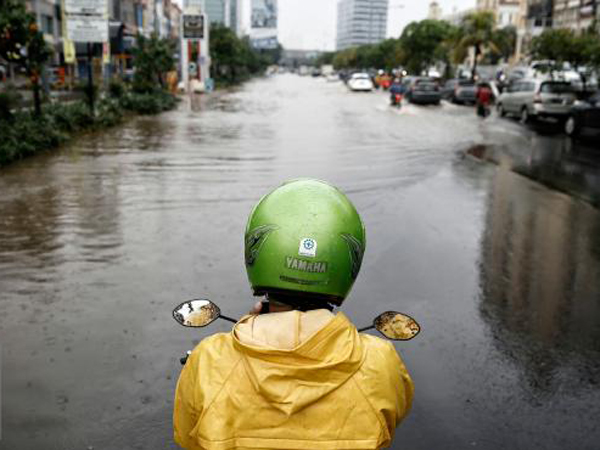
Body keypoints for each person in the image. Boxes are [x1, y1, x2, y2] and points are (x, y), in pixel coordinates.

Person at [173, 179, 414, 450]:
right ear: (349, 260)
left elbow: (187, 437)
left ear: (257, 251)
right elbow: (391, 423)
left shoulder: (209, 359)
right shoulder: (380, 362)